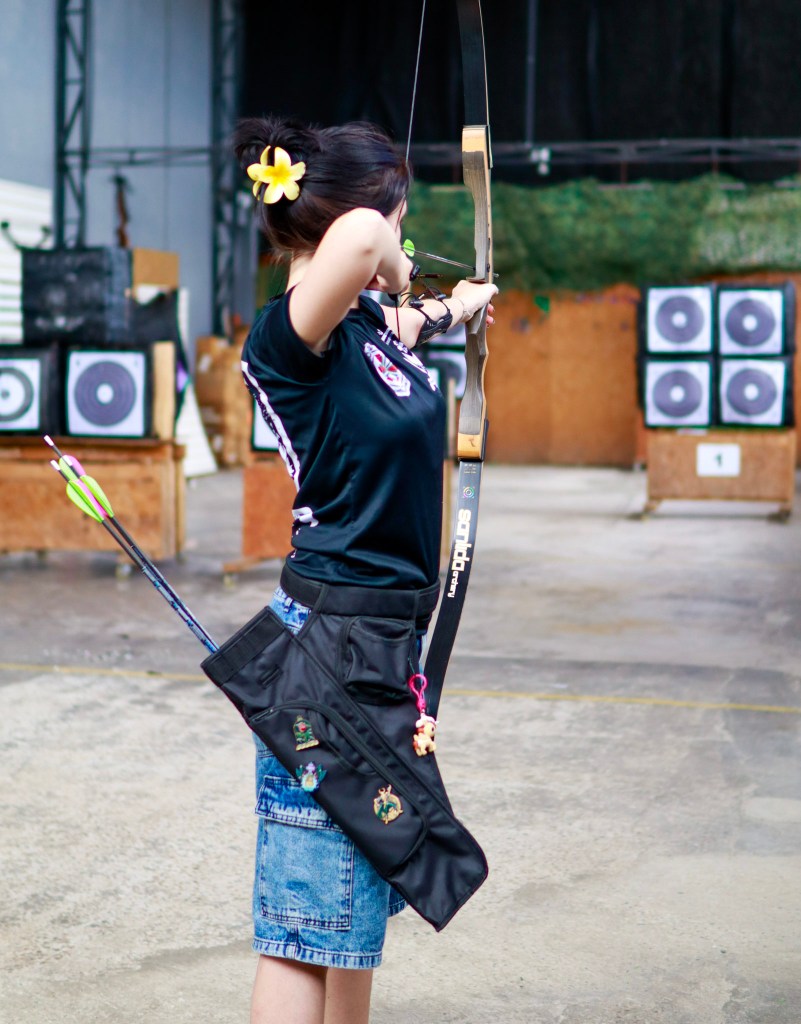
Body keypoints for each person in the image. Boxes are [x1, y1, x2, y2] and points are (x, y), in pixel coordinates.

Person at [231, 115, 498, 1024]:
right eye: (399, 217)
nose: (399, 240)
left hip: (381, 643)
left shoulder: (365, 332)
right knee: (304, 927)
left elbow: (410, 316)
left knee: (353, 909)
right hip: (327, 647)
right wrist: (392, 255)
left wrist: (457, 304)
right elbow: (360, 240)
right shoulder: (288, 342)